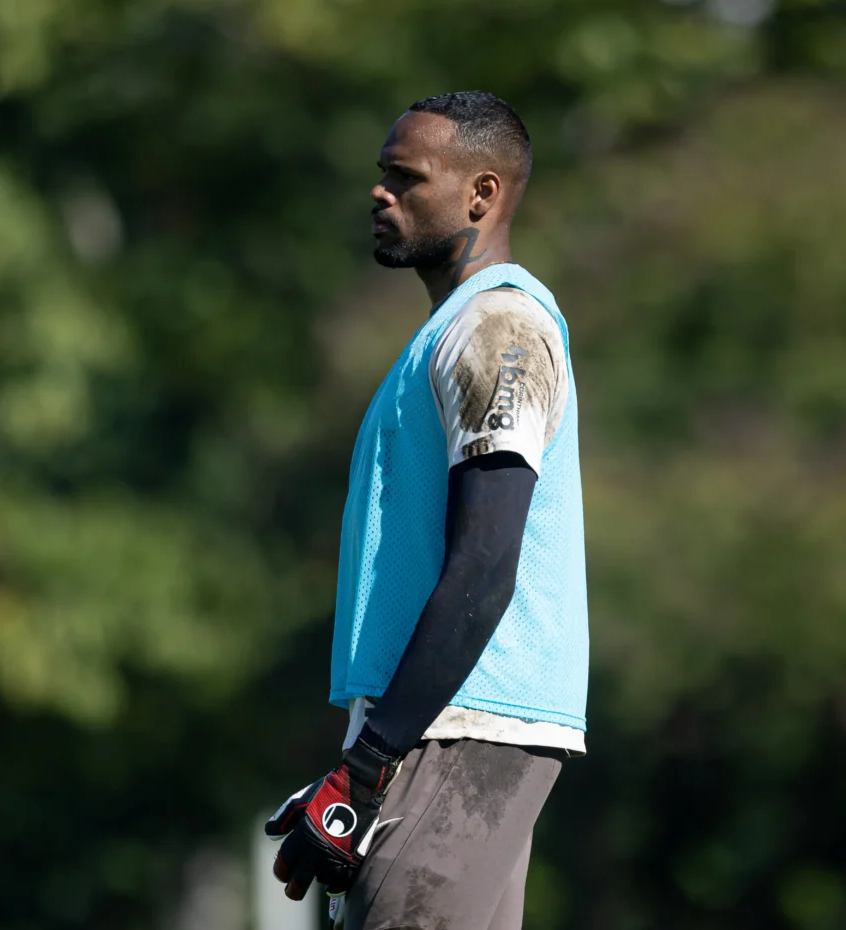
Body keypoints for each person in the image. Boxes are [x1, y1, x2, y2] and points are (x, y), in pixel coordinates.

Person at [264, 91, 589, 930]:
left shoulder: (499, 329)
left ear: (482, 195)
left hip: (461, 730)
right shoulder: (450, 332)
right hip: (435, 734)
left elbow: (486, 563)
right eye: (381, 177)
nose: (381, 195)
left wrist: (370, 764)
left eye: (406, 179)